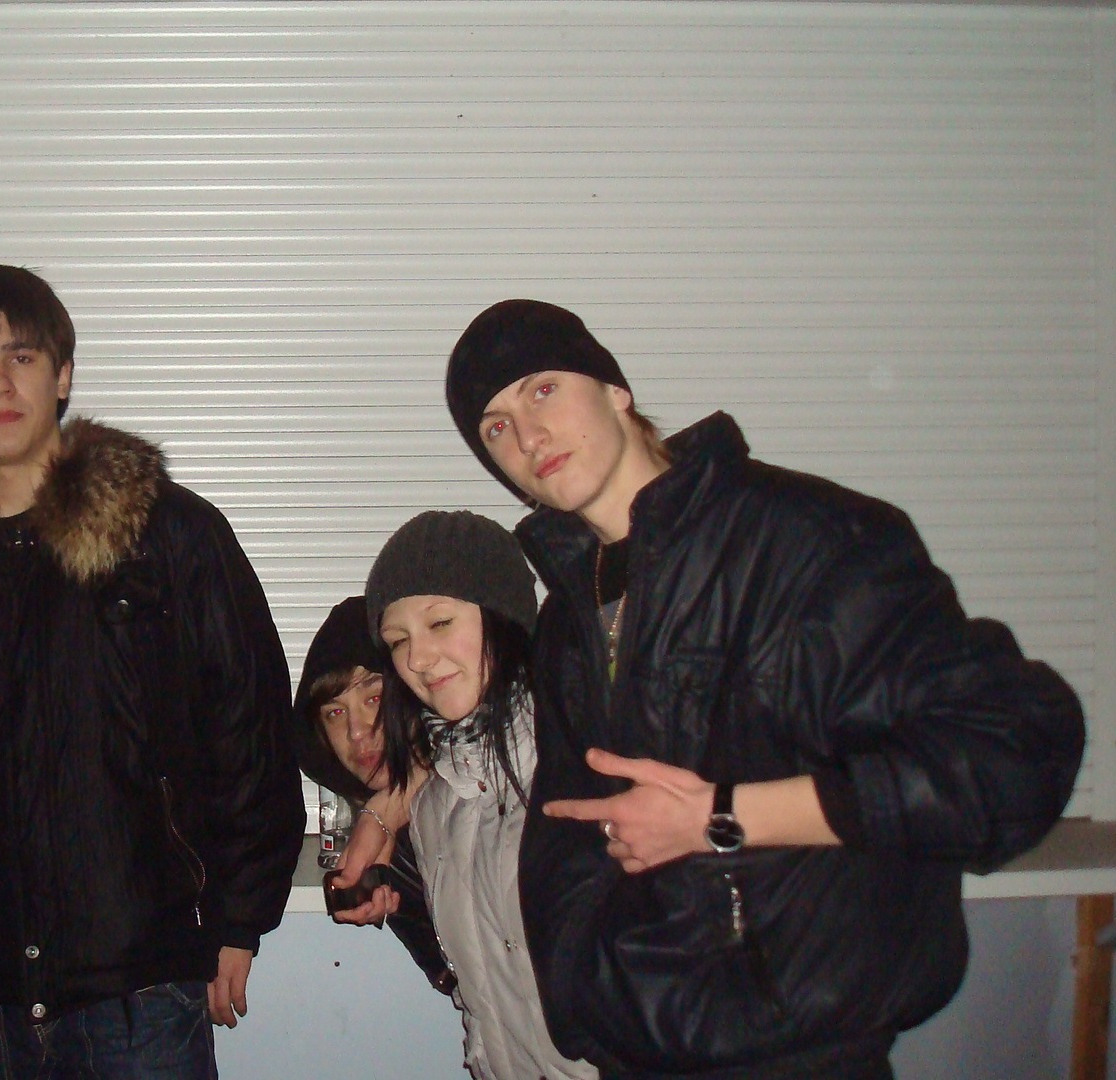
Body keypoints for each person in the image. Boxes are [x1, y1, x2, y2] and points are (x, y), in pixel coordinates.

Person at [444, 298, 1085, 1078]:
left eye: (542, 390)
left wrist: (720, 816)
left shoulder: (805, 541)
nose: (528, 436)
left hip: (801, 1054)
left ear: (615, 390)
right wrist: (583, 997)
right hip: (634, 1054)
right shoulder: (567, 622)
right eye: (496, 428)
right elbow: (568, 838)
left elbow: (1011, 756)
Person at [0, 264, 305, 1078]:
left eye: (21, 355)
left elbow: (249, 725)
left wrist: (237, 918)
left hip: (140, 987)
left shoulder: (167, 535)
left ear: (63, 375)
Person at [348, 513, 595, 1080]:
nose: (417, 658)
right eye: (398, 641)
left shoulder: (587, 765)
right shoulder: (435, 804)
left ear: (502, 615)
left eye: (439, 622)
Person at [291, 595, 455, 996]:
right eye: (335, 712)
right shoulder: (382, 842)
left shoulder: (488, 781)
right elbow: (458, 977)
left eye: (373, 698)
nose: (356, 731)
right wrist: (407, 908)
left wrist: (385, 809)